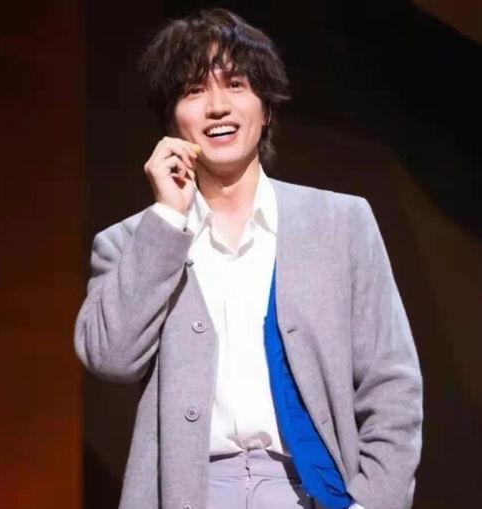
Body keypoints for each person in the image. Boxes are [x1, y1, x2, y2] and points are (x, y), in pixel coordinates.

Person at [74, 8, 423, 509]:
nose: (218, 106)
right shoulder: (131, 241)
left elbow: (392, 383)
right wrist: (168, 220)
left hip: (311, 489)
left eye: (236, 85)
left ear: (266, 107)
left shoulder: (341, 223)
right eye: (194, 90)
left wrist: (373, 501)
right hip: (190, 492)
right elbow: (111, 358)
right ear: (171, 120)